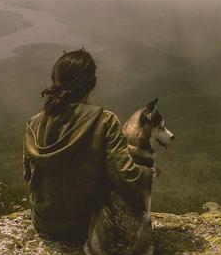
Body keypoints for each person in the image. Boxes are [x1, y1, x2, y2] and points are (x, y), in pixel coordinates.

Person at [22, 49, 153, 243]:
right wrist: (149, 172)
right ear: (92, 84)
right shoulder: (104, 120)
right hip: (87, 225)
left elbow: (28, 175)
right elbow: (126, 178)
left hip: (44, 222)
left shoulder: (34, 123)